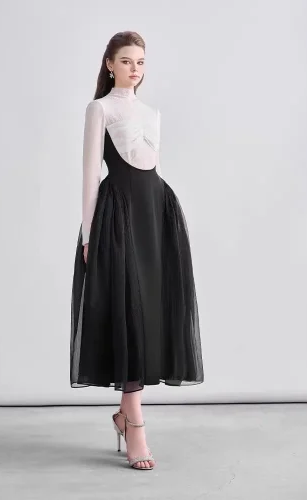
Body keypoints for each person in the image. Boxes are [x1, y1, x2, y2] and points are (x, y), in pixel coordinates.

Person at [70, 31, 204, 470]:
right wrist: (89, 235)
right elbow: (90, 175)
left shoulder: (151, 112)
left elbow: (154, 165)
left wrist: (164, 217)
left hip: (156, 213)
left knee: (149, 313)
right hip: (118, 215)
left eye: (141, 62)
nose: (135, 69)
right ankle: (135, 424)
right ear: (110, 64)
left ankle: (126, 417)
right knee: (128, 310)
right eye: (127, 61)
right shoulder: (100, 109)